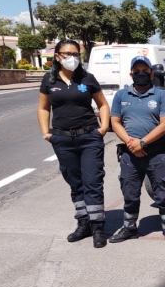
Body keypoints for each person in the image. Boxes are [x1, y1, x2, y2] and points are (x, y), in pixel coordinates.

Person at [37, 39, 110, 248]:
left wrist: (103, 128)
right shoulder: (49, 80)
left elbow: (103, 104)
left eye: (76, 54)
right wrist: (46, 133)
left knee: (92, 182)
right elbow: (43, 108)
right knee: (75, 183)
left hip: (89, 138)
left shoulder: (87, 78)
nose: (72, 58)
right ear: (57, 56)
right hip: (62, 139)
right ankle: (83, 223)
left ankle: (98, 227)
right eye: (67, 54)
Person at [108, 56, 165, 246]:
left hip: (156, 153)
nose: (141, 74)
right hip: (130, 154)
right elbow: (115, 122)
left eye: (144, 71)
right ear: (131, 74)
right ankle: (130, 227)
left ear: (151, 73)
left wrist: (143, 142)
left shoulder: (161, 95)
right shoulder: (121, 95)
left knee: (163, 193)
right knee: (130, 193)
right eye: (136, 71)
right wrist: (132, 143)